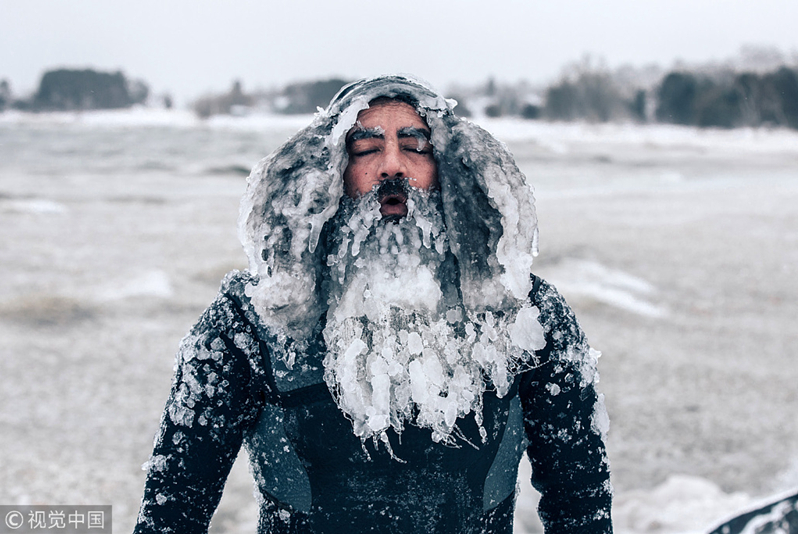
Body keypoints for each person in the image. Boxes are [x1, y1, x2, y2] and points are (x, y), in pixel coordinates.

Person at [133, 75, 613, 533]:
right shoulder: (253, 320)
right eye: (365, 149)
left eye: (416, 147)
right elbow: (173, 508)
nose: (392, 166)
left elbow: (581, 506)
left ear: (453, 171)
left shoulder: (529, 316)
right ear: (329, 174)